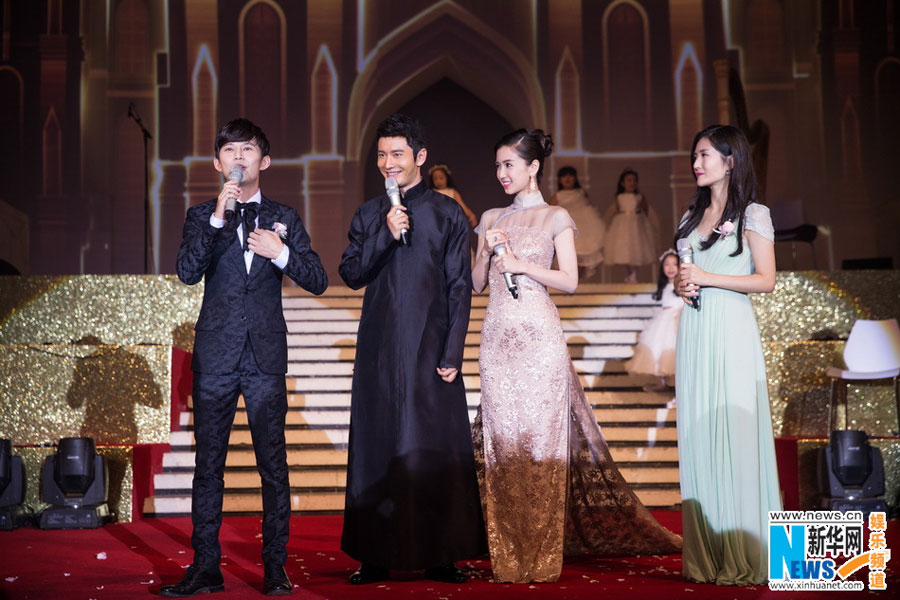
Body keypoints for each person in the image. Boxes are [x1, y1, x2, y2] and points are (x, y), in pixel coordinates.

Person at [472, 129, 681, 584]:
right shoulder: (491, 217)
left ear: (533, 168)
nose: (501, 173)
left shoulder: (555, 216)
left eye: (509, 164)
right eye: (497, 165)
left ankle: (543, 552)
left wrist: (523, 265)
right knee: (503, 446)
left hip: (540, 337)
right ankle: (508, 549)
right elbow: (475, 283)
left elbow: (569, 281)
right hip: (498, 340)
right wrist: (485, 250)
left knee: (543, 445)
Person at [165, 118, 328, 597]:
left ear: (265, 161)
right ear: (218, 164)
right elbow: (187, 273)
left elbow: (316, 278)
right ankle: (205, 568)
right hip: (215, 355)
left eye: (248, 150)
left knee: (272, 467)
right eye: (230, 151)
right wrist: (218, 219)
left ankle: (274, 569)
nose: (239, 158)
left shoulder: (284, 215)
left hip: (263, 358)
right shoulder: (201, 215)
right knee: (207, 467)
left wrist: (280, 253)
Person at [338, 113, 486, 585]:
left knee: (432, 448)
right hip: (379, 351)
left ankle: (442, 554)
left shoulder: (447, 214)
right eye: (381, 155)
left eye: (397, 154)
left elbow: (460, 287)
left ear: (420, 158)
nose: (388, 163)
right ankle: (374, 554)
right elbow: (350, 273)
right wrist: (385, 229)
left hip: (429, 347)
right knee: (377, 446)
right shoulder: (367, 214)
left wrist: (452, 351)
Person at [674, 124, 781, 585]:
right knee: (700, 436)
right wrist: (684, 285)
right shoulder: (688, 217)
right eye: (695, 156)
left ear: (730, 160)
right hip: (695, 332)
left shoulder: (753, 213)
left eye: (704, 155)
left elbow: (766, 279)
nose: (697, 163)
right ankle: (708, 556)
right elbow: (688, 277)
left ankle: (745, 553)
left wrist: (707, 277)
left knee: (734, 435)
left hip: (732, 330)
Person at [624, 249, 683, 391]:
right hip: (663, 320)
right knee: (658, 348)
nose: (670, 268)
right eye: (666, 264)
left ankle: (679, 388)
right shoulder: (662, 287)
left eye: (674, 264)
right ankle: (662, 382)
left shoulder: (682, 285)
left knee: (675, 351)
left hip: (678, 320)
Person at [548, 166, 606, 279]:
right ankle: (572, 280)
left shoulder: (581, 192)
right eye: (564, 176)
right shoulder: (557, 196)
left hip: (584, 229)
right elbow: (551, 213)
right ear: (559, 180)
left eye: (571, 175)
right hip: (567, 228)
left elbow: (588, 206)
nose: (568, 178)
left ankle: (578, 281)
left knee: (582, 252)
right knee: (570, 254)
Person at [604, 168, 658, 282]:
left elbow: (646, 210)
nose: (632, 183)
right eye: (629, 180)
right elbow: (616, 210)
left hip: (636, 225)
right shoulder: (619, 197)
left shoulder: (639, 196)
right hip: (623, 225)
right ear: (623, 183)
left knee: (636, 249)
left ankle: (634, 274)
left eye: (634, 180)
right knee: (626, 250)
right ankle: (629, 274)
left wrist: (651, 224)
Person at [428, 163, 478, 228]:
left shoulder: (452, 192)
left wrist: (471, 215)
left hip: (450, 222)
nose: (438, 181)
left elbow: (462, 206)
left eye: (441, 178)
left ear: (447, 178)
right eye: (435, 179)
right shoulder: (431, 193)